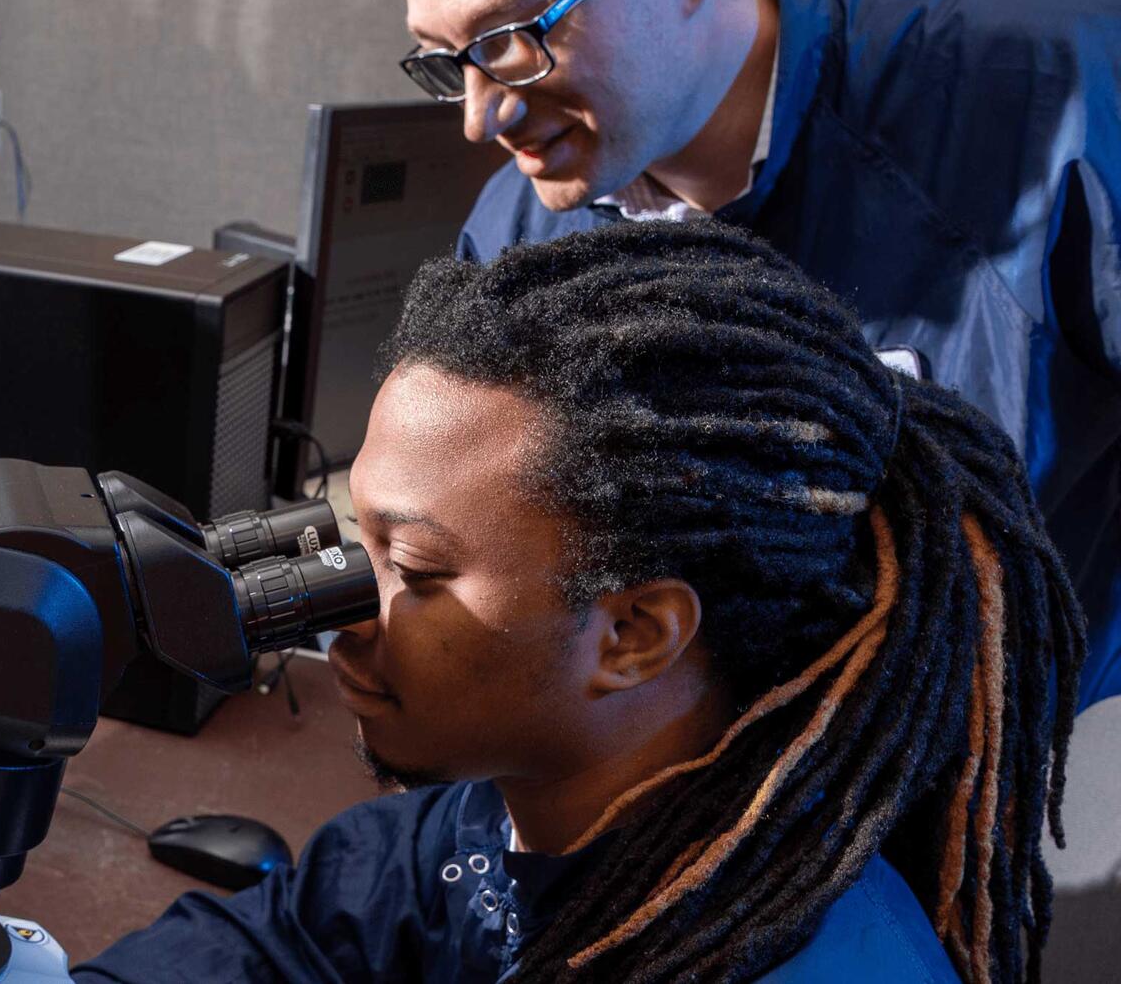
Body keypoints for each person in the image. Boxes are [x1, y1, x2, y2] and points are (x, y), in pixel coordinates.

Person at [72, 221, 1086, 982]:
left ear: (635, 634)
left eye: (414, 571)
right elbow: (297, 933)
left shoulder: (785, 947)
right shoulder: (517, 805)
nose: (344, 613)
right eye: (356, 537)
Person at [384, 0, 1120, 708]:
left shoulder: (1057, 101)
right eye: (448, 57)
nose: (479, 116)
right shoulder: (513, 244)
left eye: (515, 35)